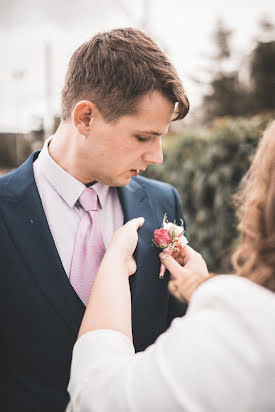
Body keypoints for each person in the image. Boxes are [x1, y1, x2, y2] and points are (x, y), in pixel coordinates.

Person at [0, 28, 190, 412]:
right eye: (142, 137)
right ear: (85, 117)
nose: (158, 156)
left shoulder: (163, 201)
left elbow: (177, 340)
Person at [67, 122, 275, 411]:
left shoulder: (244, 336)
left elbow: (95, 397)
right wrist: (202, 287)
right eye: (142, 135)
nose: (159, 157)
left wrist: (112, 270)